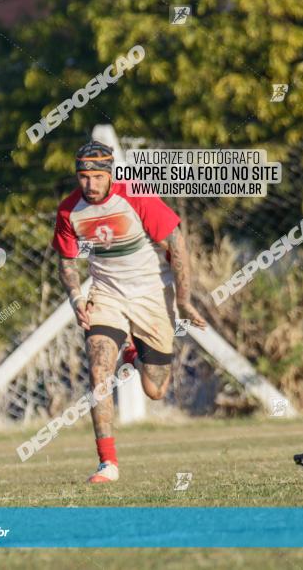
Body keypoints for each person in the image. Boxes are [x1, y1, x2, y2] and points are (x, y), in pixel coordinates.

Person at [53, 141, 207, 483]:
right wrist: (77, 298)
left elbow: (177, 243)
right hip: (106, 296)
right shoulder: (69, 211)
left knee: (156, 389)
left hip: (152, 294)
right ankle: (108, 463)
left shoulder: (135, 195)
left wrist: (183, 300)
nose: (89, 184)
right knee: (98, 372)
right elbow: (67, 263)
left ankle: (135, 355)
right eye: (83, 176)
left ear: (110, 174)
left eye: (96, 176)